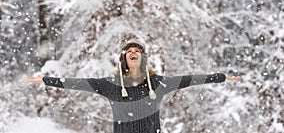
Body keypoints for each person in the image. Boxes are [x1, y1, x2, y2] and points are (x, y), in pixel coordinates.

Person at [28, 39, 240, 133]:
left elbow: (190, 79)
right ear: (124, 59)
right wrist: (47, 80)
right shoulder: (110, 85)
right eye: (129, 51)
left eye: (137, 50)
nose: (133, 52)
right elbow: (76, 83)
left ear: (143, 58)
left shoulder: (158, 83)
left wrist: (219, 77)